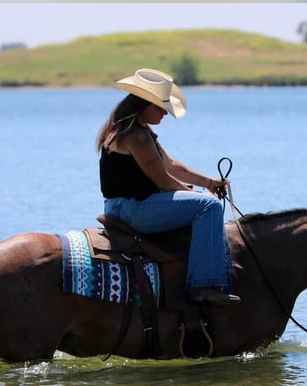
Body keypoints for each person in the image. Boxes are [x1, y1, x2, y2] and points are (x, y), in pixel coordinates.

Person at [97, 68, 239, 306]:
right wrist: (197, 195)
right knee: (209, 207)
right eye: (160, 107)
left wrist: (209, 182)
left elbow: (171, 166)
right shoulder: (137, 136)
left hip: (128, 206)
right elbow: (163, 180)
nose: (165, 113)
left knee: (205, 202)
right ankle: (203, 285)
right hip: (133, 209)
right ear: (142, 104)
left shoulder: (137, 131)